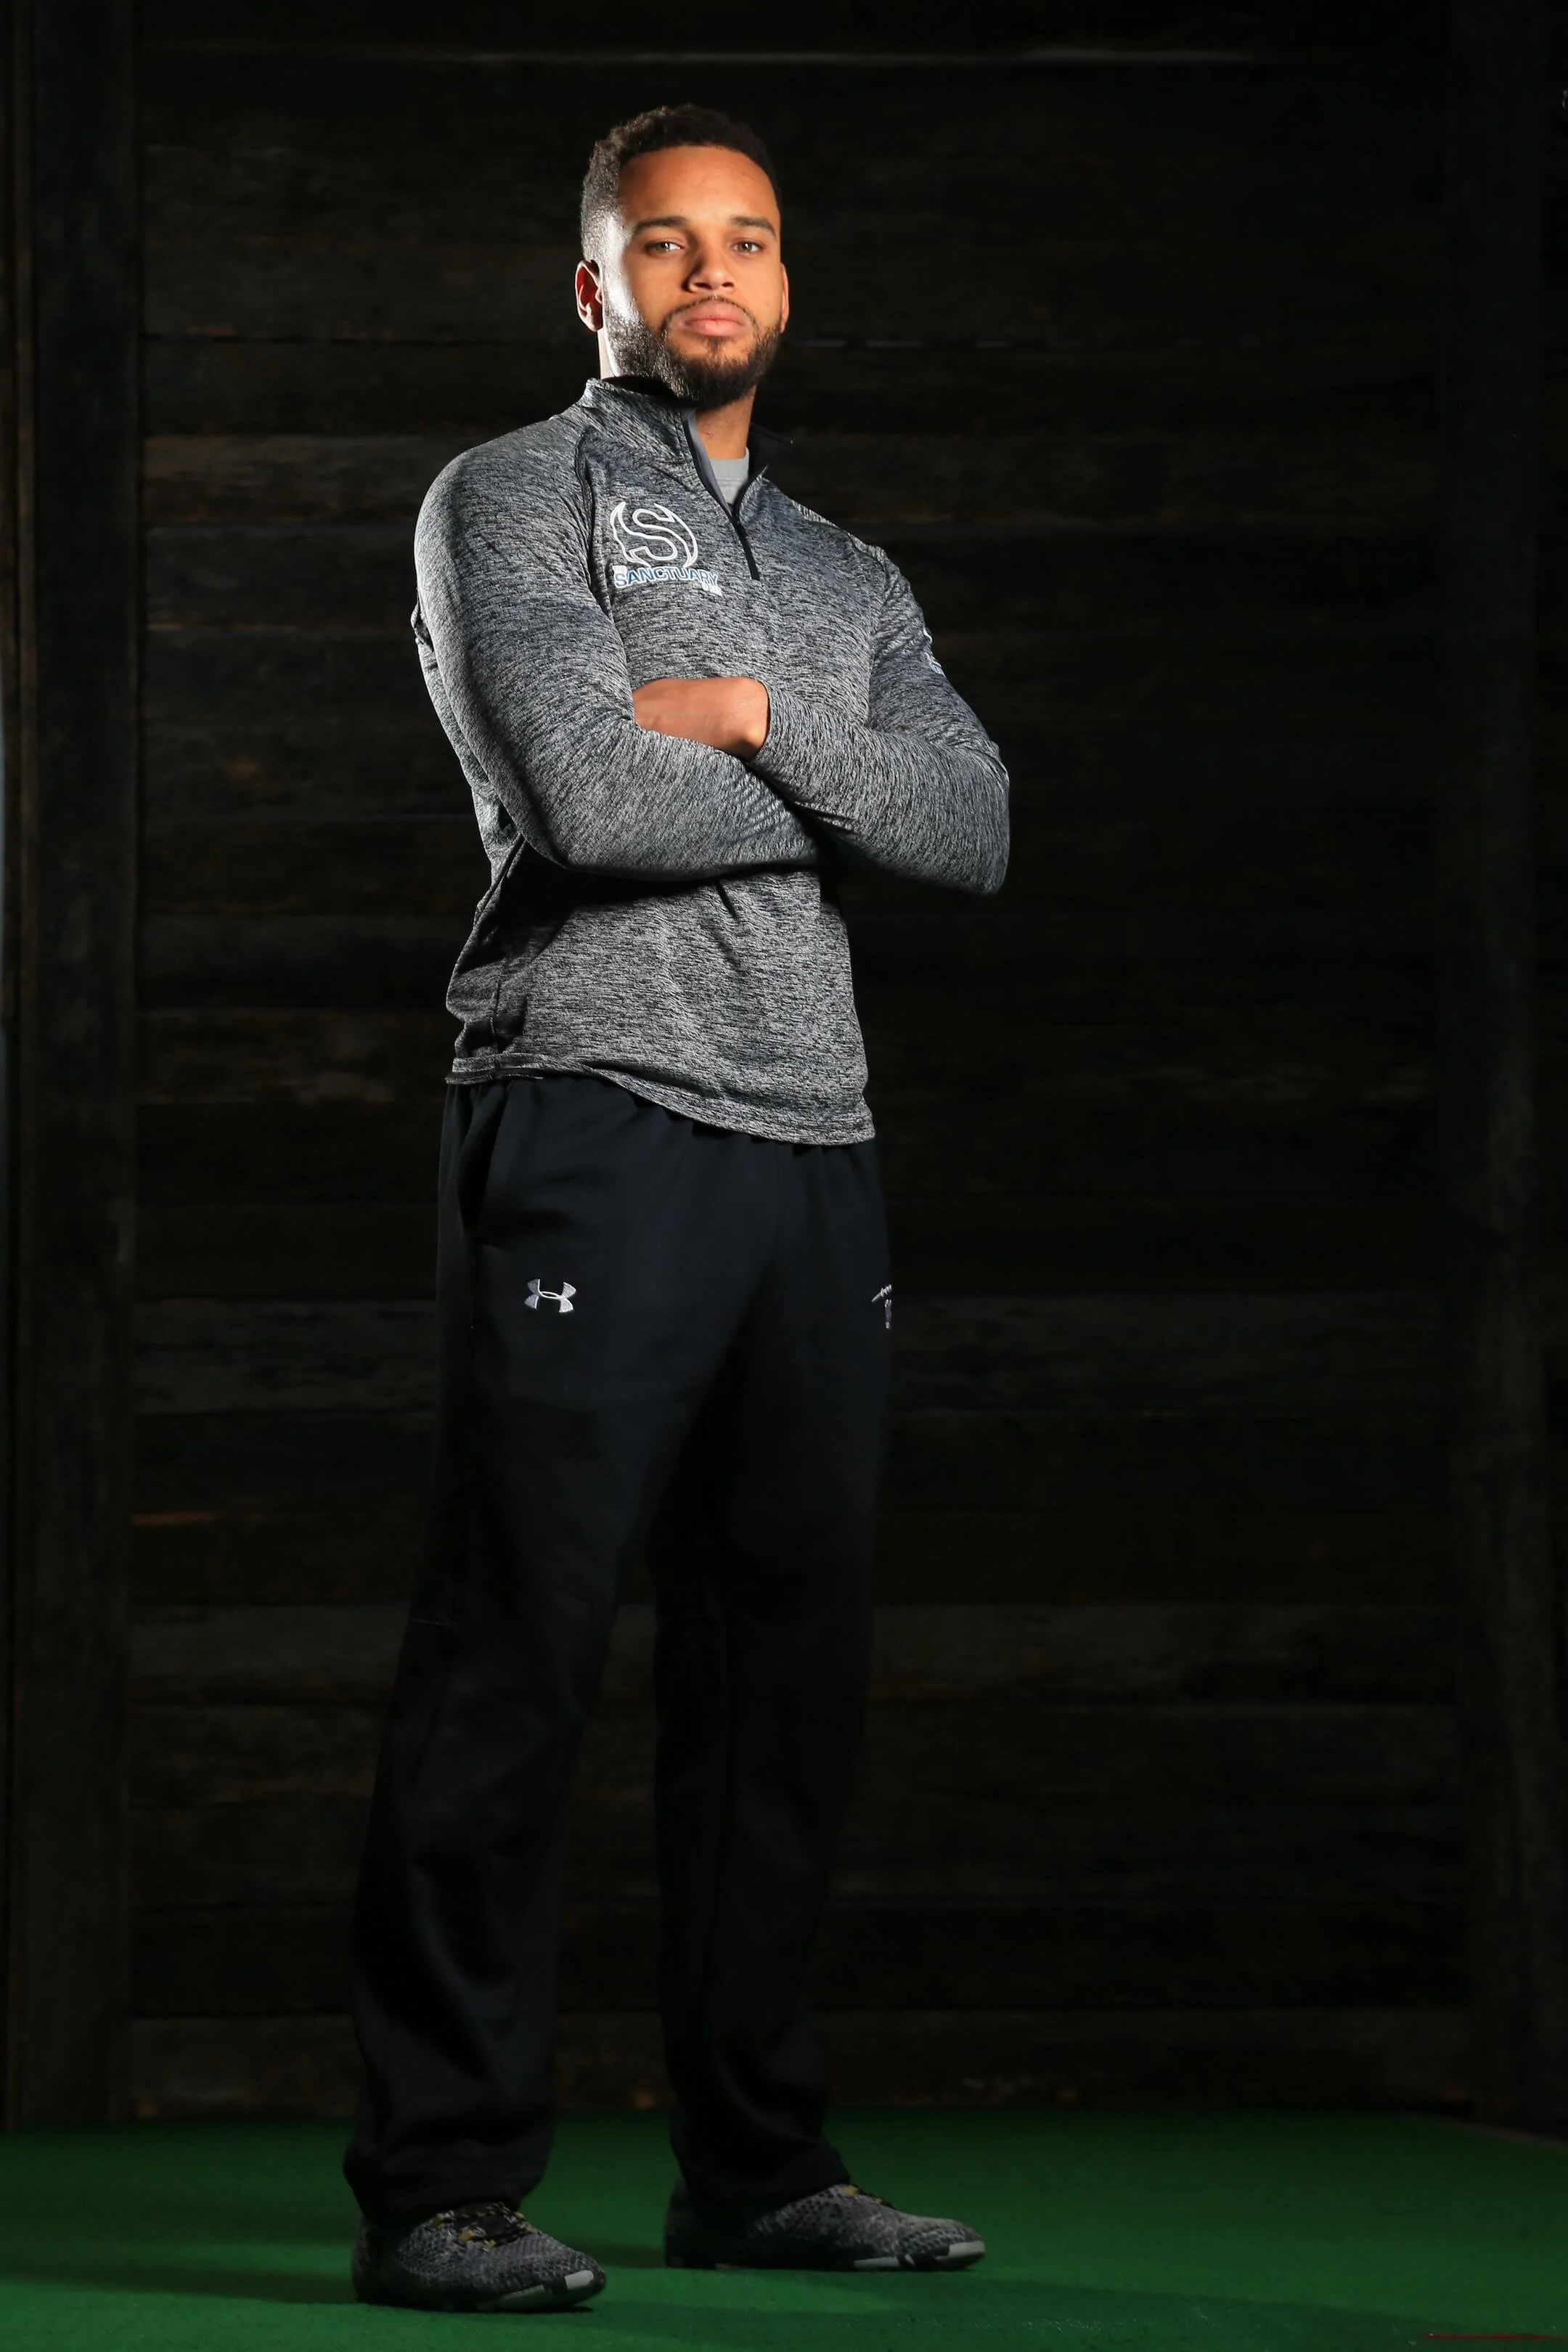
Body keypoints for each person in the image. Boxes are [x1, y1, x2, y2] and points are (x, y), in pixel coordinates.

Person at [343, 102, 1010, 2315]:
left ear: (789, 282)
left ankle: (759, 2167)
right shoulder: (508, 497)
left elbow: (975, 824)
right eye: (663, 240)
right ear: (595, 285)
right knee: (518, 1651)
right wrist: (825, 774)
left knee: (783, 1675)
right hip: (593, 1106)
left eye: (750, 238)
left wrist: (751, 720)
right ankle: (443, 2182)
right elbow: (591, 796)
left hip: (815, 1140)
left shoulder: (845, 575)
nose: (711, 270)